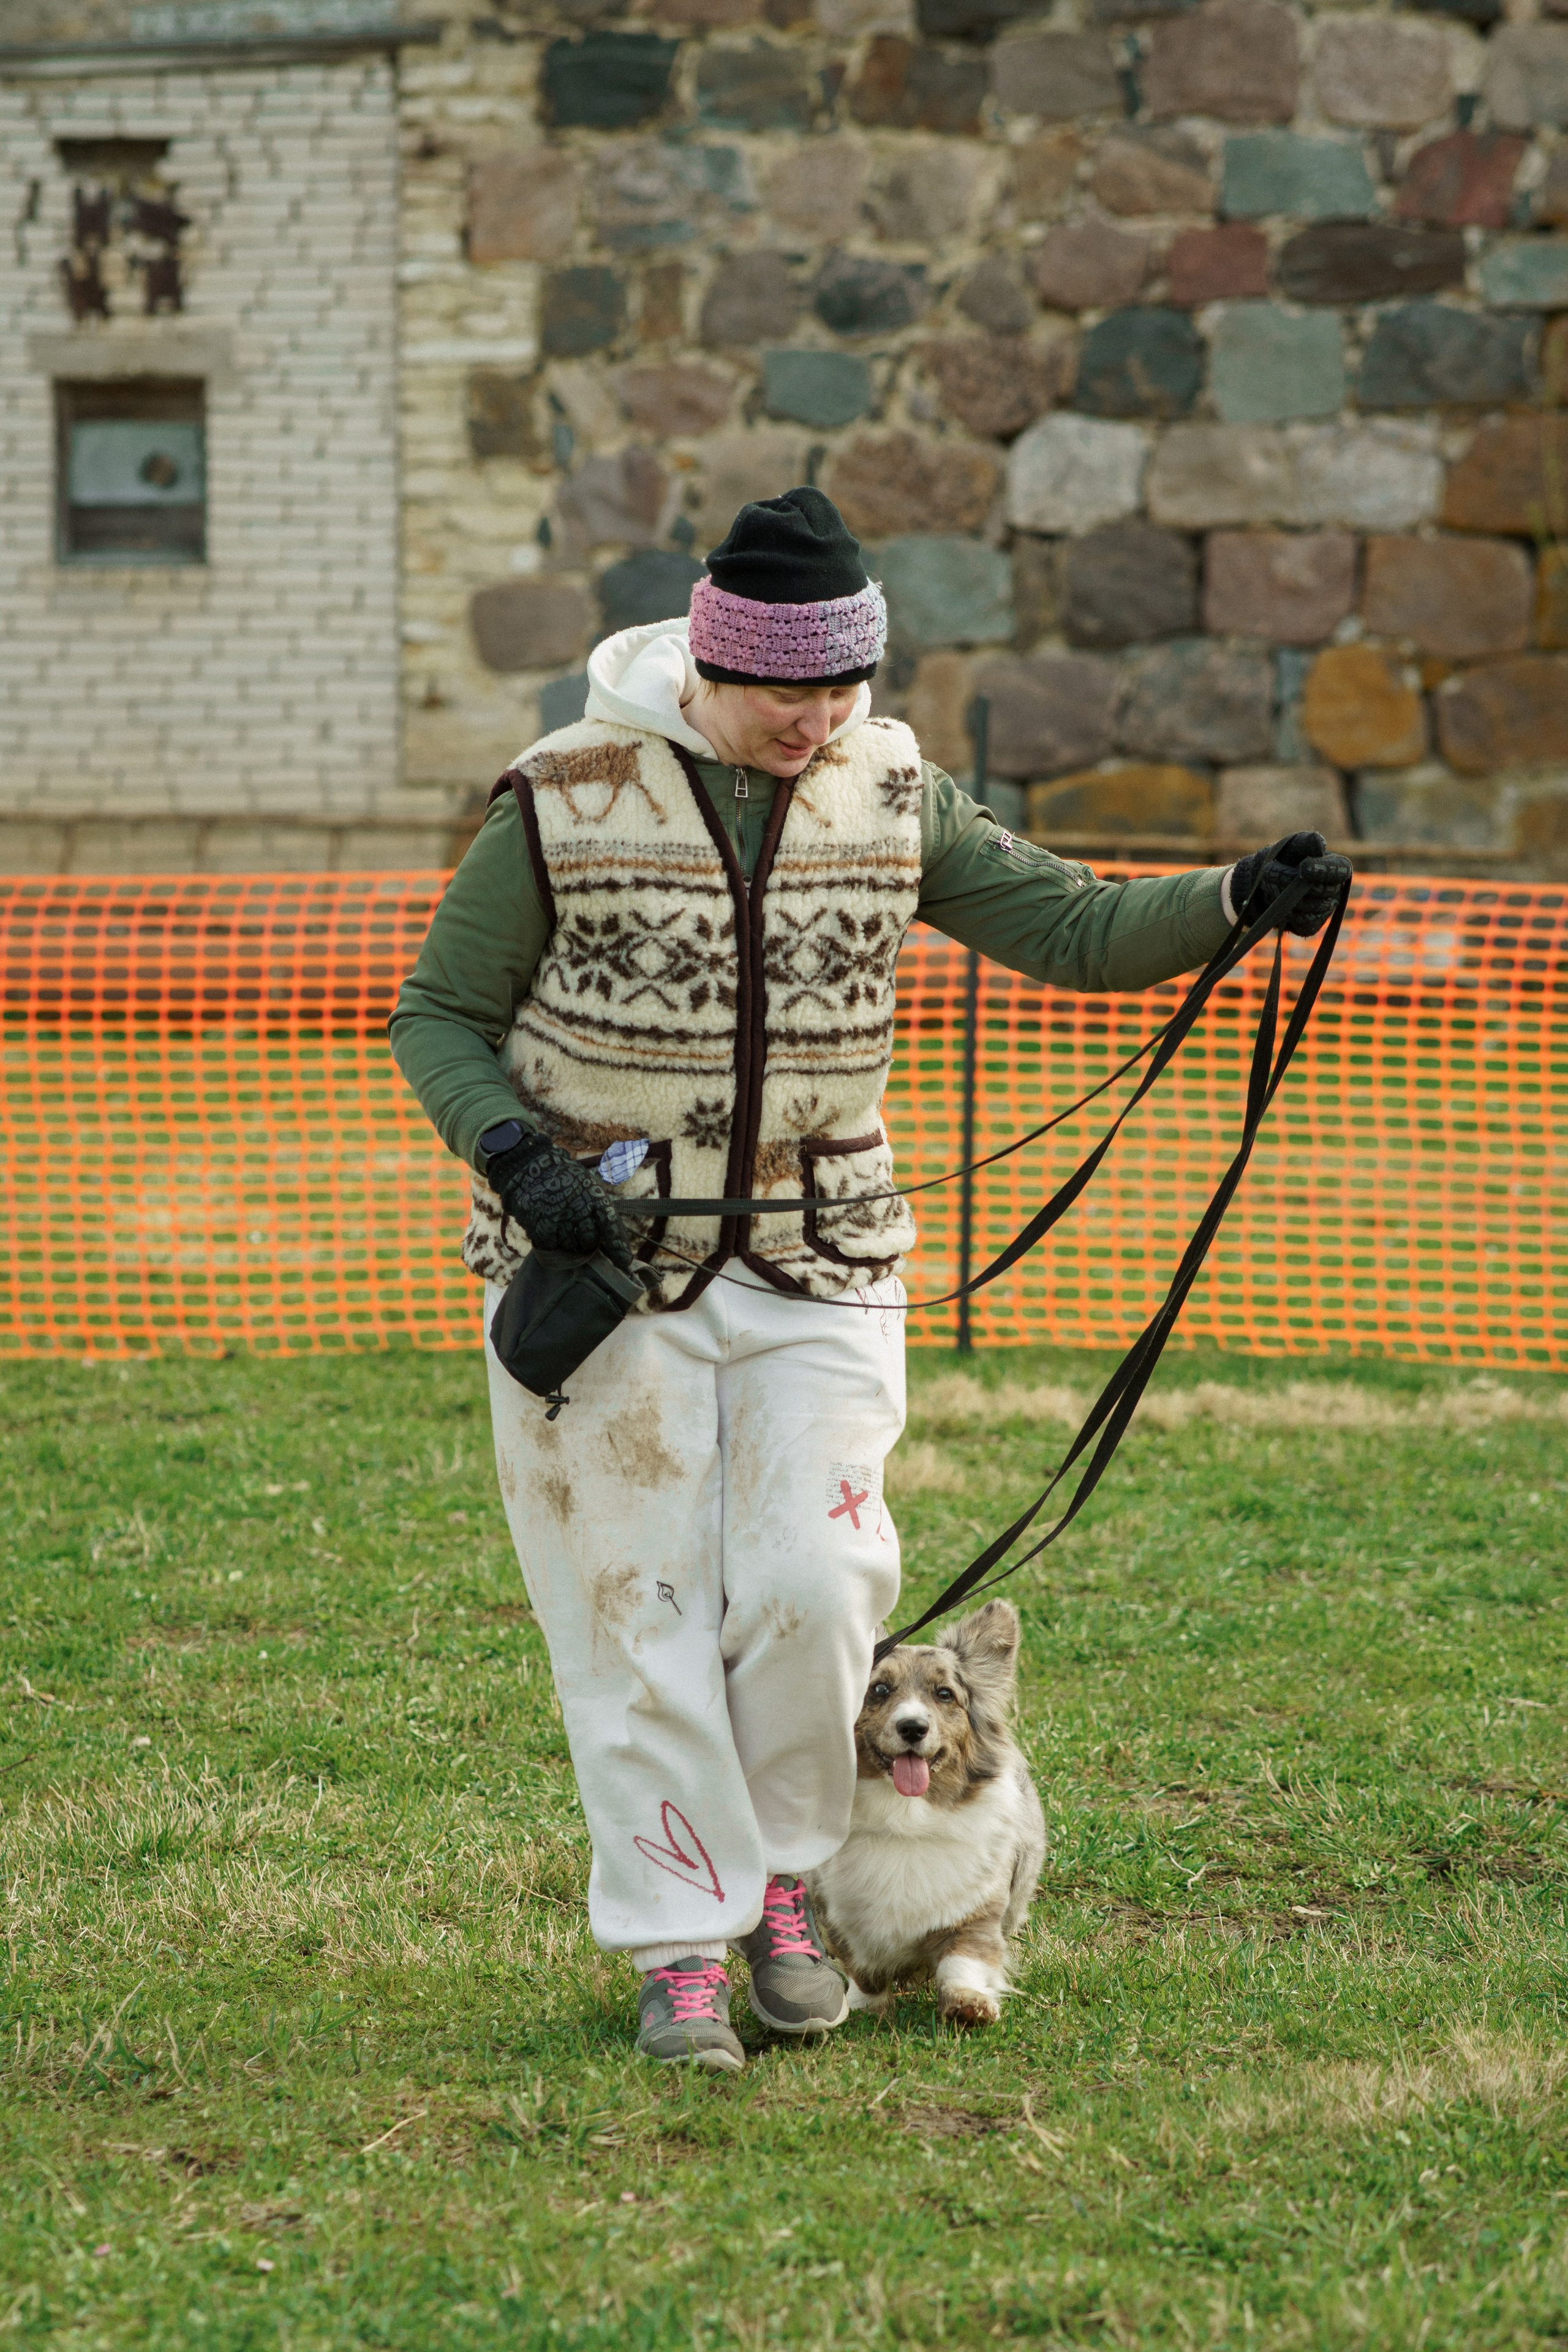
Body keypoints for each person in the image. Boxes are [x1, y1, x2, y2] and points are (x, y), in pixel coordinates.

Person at [390, 487, 1348, 2072]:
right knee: (640, 1617)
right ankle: (680, 1948)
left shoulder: (893, 786)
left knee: (821, 1587)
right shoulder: (561, 796)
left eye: (844, 685)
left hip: (824, 1263)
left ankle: (786, 1888)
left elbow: (1072, 926)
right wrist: (515, 1157)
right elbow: (437, 1014)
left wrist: (1235, 901)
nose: (818, 719)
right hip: (604, 1272)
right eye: (787, 690)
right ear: (712, 660)